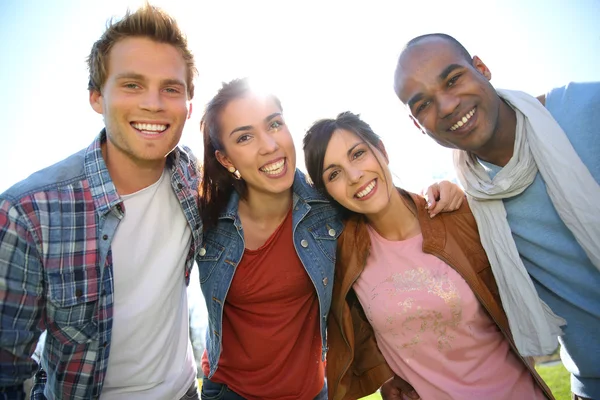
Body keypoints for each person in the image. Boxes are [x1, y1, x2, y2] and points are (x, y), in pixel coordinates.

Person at [196, 78, 462, 400]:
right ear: (226, 160)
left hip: (312, 393)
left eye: (275, 124)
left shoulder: (328, 208)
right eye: (245, 137)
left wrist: (440, 191)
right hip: (228, 392)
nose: (269, 145)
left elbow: (381, 207)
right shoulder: (207, 219)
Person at [0, 5, 202, 399]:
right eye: (132, 85)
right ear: (96, 97)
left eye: (171, 89)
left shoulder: (192, 177)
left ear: (188, 106)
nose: (154, 103)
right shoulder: (28, 213)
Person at [393, 33, 600, 400]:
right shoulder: (474, 202)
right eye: (424, 103)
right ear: (416, 125)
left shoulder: (588, 109)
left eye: (453, 79)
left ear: (482, 68)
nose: (446, 106)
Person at [303, 111, 554, 400]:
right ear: (327, 192)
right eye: (334, 174)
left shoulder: (456, 215)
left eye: (358, 154)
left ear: (382, 151)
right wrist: (385, 375)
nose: (354, 176)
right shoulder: (340, 255)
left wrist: (459, 193)